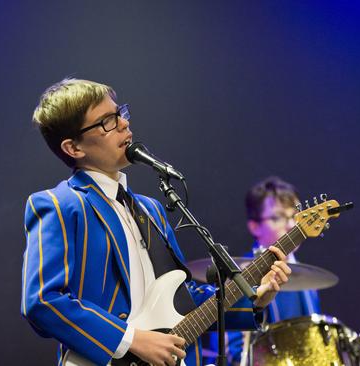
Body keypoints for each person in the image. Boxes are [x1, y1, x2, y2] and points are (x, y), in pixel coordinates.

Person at [21, 78, 292, 365]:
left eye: (119, 114)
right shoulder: (59, 203)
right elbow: (42, 301)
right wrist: (130, 339)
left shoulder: (149, 209)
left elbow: (182, 301)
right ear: (74, 148)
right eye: (106, 122)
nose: (123, 124)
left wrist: (254, 300)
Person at [207, 176, 321, 364]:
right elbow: (232, 353)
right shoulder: (241, 276)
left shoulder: (309, 279)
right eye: (278, 217)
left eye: (295, 216)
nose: (292, 225)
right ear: (254, 226)